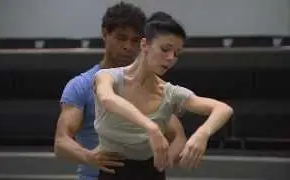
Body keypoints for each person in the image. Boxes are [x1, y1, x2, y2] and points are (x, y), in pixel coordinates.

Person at [93, 12, 234, 180]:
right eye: (165, 49)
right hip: (110, 172)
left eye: (176, 53)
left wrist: (202, 134)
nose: (170, 58)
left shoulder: (169, 92)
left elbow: (223, 109)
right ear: (144, 44)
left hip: (150, 172)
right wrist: (151, 127)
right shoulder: (108, 76)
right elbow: (108, 99)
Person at [54, 3, 187, 180]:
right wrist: (89, 157)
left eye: (134, 41)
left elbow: (178, 136)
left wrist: (165, 159)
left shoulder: (150, 86)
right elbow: (61, 142)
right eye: (121, 38)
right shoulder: (81, 85)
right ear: (105, 34)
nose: (128, 47)